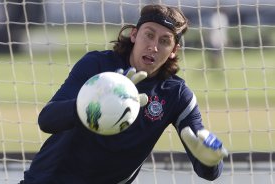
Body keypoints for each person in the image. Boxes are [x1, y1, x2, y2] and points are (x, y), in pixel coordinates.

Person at [20, 4, 228, 184]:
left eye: (165, 41)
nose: (154, 46)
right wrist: (93, 102)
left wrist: (210, 161)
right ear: (135, 35)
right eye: (149, 34)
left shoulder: (177, 94)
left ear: (174, 50)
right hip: (49, 180)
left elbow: (208, 172)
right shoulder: (97, 64)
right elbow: (47, 120)